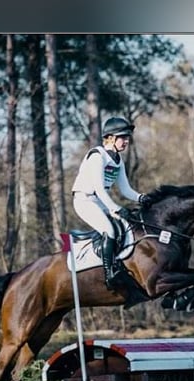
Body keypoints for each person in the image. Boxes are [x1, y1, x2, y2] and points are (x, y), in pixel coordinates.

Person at [71, 116, 147, 289]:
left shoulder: (118, 161)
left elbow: (126, 190)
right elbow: (98, 188)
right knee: (109, 229)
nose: (126, 141)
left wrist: (143, 197)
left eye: (127, 137)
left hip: (99, 201)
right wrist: (116, 209)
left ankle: (121, 264)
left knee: (128, 226)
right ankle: (109, 273)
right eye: (123, 137)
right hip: (84, 200)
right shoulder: (98, 156)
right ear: (111, 138)